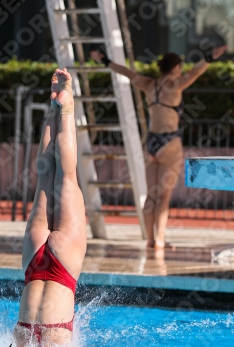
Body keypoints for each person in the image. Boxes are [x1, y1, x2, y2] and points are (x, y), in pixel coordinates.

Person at [90, 46, 227, 249]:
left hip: (151, 143)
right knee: (164, 196)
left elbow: (126, 72)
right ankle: (160, 239)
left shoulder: (148, 84)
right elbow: (196, 72)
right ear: (177, 67)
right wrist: (210, 57)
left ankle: (150, 240)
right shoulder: (176, 85)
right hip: (170, 142)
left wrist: (105, 60)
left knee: (151, 195)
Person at [9, 68, 87, 347]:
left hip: (33, 332)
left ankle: (63, 107)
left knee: (65, 177)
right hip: (34, 264)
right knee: (47, 179)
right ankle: (56, 106)